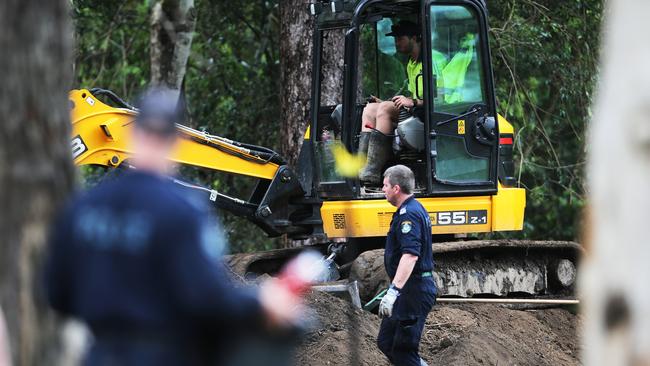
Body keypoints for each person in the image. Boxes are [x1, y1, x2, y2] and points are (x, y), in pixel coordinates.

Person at [45, 88, 301, 366]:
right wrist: (261, 303)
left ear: (133, 131)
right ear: (176, 141)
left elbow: (56, 293)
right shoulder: (182, 212)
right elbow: (207, 298)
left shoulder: (84, 208)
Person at [359, 21, 446, 184]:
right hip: (416, 110)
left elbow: (440, 100)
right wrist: (386, 102)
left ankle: (373, 171)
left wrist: (412, 101)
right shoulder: (411, 63)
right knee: (371, 109)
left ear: (414, 38)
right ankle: (363, 165)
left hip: (432, 118)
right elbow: (413, 97)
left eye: (400, 38)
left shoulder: (432, 60)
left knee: (384, 109)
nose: (396, 42)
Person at [377, 165, 436, 366]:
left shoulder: (409, 214)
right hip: (408, 290)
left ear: (396, 188)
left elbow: (410, 255)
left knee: (403, 351)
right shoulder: (408, 209)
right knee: (386, 342)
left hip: (414, 290)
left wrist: (393, 291)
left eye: (385, 185)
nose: (382, 189)